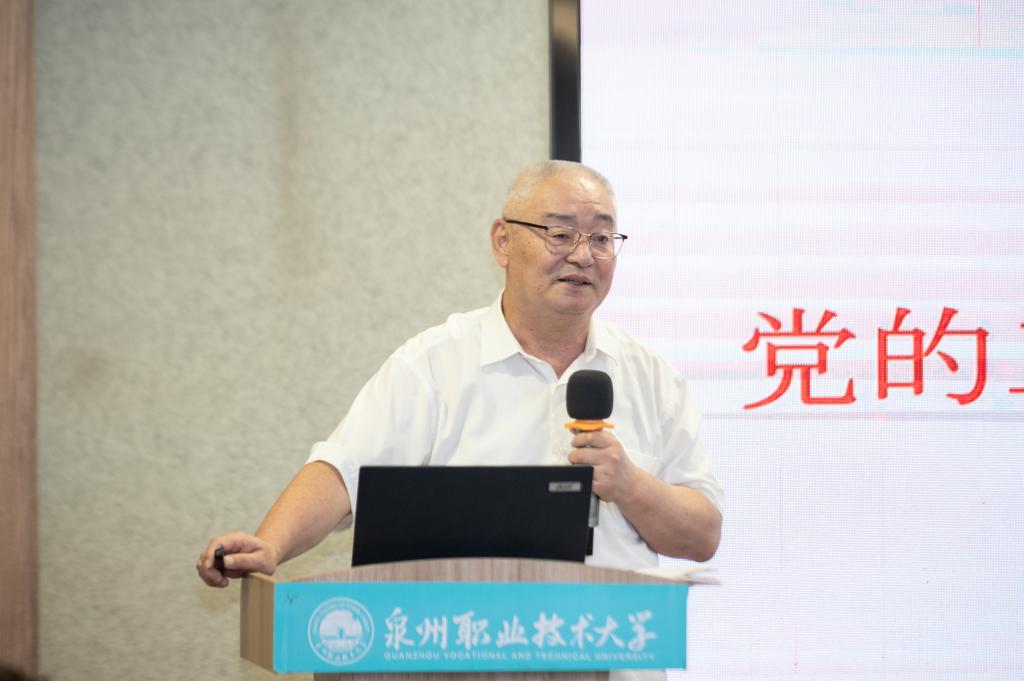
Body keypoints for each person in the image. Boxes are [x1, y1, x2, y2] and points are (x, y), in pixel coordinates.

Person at [196, 161, 723, 677]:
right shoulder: (433, 365)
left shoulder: (652, 378)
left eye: (602, 238)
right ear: (503, 242)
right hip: (460, 660)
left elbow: (702, 534)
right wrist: (272, 545)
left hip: (611, 662)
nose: (583, 255)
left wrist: (629, 484)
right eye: (561, 234)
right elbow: (341, 473)